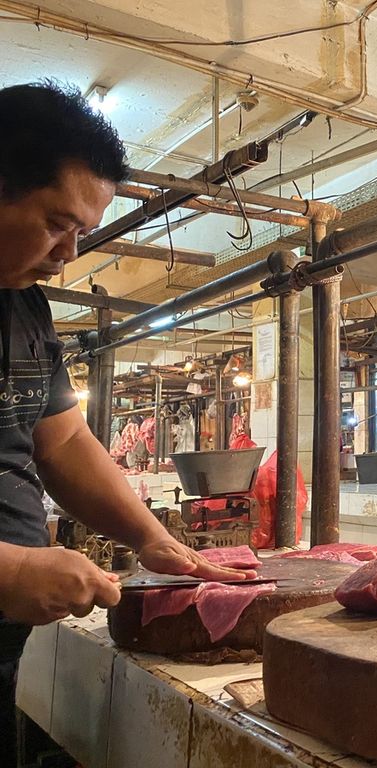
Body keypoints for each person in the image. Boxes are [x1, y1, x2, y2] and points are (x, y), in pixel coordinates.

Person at [0, 82, 254, 761]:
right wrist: (12, 570)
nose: (70, 252)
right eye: (58, 222)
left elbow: (65, 439)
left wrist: (151, 537)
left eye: (82, 231)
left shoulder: (25, 309)